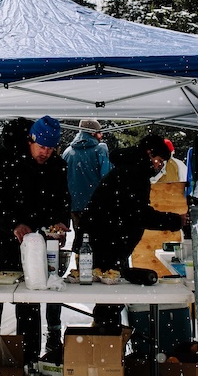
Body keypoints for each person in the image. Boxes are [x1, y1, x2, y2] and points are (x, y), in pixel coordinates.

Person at [0, 115, 71, 366]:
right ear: (31, 140)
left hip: (34, 247)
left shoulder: (57, 166)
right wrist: (12, 224)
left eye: (51, 149)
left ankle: (29, 362)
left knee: (30, 305)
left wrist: (61, 222)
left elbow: (62, 200)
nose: (45, 153)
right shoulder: (2, 160)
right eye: (42, 147)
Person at [77, 134, 189, 326]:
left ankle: (104, 341)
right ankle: (103, 343)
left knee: (110, 301)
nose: (158, 166)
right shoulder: (133, 174)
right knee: (110, 301)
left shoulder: (129, 170)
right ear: (148, 153)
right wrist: (174, 220)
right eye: (158, 161)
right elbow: (138, 214)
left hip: (105, 243)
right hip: (104, 245)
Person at [46, 119, 112, 353]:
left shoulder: (67, 151)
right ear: (96, 134)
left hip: (73, 208)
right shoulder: (101, 150)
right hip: (97, 208)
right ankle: (102, 321)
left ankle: (53, 329)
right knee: (100, 256)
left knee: (79, 248)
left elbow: (60, 182)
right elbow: (108, 179)